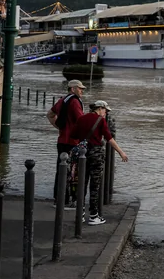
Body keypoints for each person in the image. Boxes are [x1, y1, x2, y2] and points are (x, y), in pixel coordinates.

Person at [71, 100, 128, 225]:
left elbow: (73, 135)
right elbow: (109, 139)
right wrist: (121, 152)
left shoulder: (81, 118)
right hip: (96, 154)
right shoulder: (100, 121)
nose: (106, 113)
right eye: (105, 110)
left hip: (82, 154)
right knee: (95, 186)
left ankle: (80, 214)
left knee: (82, 184)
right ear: (100, 108)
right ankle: (93, 216)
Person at [46, 79, 86, 208]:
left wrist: (59, 128)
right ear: (72, 89)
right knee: (72, 172)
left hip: (62, 140)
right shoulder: (75, 102)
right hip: (73, 142)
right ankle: (68, 200)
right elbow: (81, 121)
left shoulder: (62, 100)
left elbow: (50, 114)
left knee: (61, 169)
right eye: (80, 88)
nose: (82, 91)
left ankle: (58, 198)